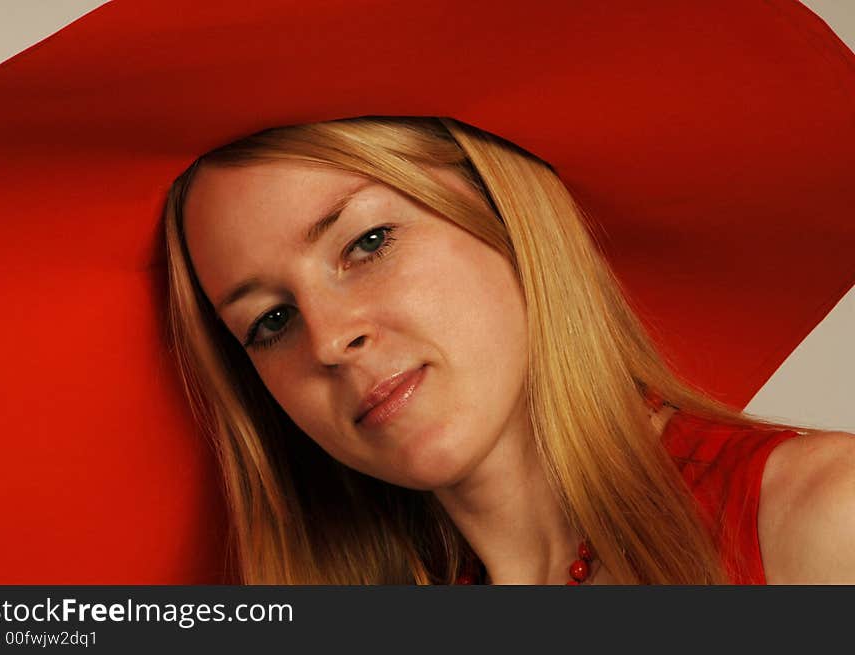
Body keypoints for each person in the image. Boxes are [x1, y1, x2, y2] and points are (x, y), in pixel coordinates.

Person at [163, 116, 855, 585]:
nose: (330, 339)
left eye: (367, 242)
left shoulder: (825, 519)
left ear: (500, 209)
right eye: (272, 319)